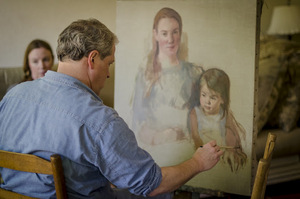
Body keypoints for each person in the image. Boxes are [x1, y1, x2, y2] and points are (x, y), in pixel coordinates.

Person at [0, 18, 223, 198]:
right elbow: (152, 184)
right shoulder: (99, 119)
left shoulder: (13, 96)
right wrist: (198, 162)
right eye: (109, 64)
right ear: (93, 59)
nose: (108, 73)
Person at [131, 7, 204, 146]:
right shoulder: (144, 75)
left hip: (189, 150)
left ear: (180, 33)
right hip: (157, 152)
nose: (170, 39)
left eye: (175, 32)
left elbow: (207, 115)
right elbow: (137, 124)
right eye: (164, 33)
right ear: (156, 34)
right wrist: (162, 136)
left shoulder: (194, 73)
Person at [188, 68, 247, 172]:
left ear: (222, 99)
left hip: (221, 155)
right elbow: (195, 137)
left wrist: (231, 151)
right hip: (202, 155)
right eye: (204, 95)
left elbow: (232, 135)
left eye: (213, 98)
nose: (207, 101)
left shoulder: (224, 114)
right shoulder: (195, 113)